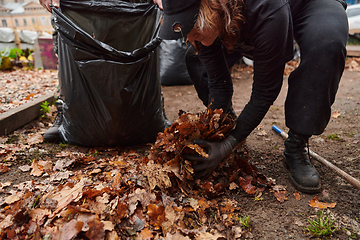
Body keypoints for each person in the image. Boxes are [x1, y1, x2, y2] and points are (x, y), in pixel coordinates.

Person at [158, 0, 348, 194]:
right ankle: (229, 123)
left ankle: (296, 146)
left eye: (194, 29)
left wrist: (227, 146)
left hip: (306, 4)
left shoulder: (268, 9)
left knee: (327, 47)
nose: (190, 38)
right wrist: (220, 129)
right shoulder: (206, 11)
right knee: (194, 55)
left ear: (211, 12)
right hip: (242, 14)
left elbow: (265, 91)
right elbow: (218, 82)